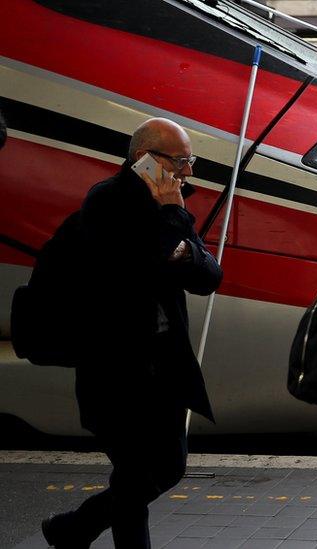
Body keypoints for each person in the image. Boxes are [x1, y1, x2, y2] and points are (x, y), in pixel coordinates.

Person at [40, 118, 222, 548]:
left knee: (161, 468)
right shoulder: (107, 202)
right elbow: (145, 264)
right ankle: (72, 529)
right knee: (138, 473)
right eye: (180, 161)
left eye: (189, 160)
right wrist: (173, 222)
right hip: (118, 369)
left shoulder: (168, 205)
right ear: (146, 159)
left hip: (165, 368)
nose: (188, 172)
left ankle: (73, 529)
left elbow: (209, 275)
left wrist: (178, 238)